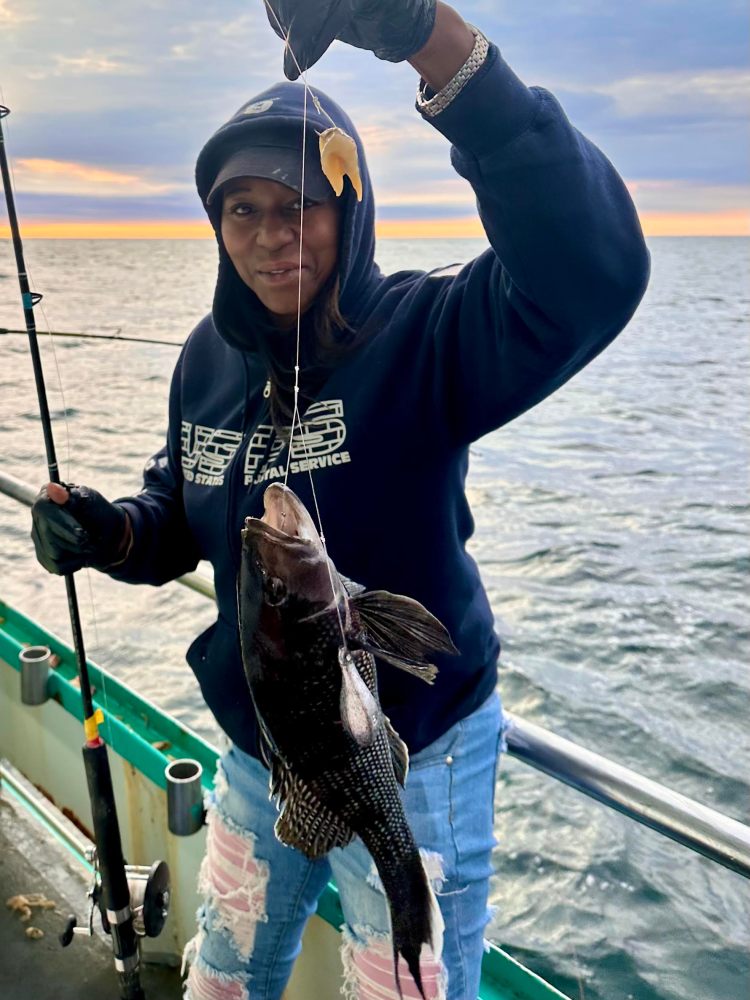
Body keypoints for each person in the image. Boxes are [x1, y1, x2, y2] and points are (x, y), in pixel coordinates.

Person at [30, 2, 650, 998]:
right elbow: (178, 515)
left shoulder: (422, 334)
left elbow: (591, 273)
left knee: (404, 977)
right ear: (215, 222)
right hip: (259, 750)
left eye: (300, 204)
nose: (273, 237)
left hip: (420, 758)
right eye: (244, 210)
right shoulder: (208, 356)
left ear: (350, 207)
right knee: (225, 971)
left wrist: (427, 36)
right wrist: (106, 530)